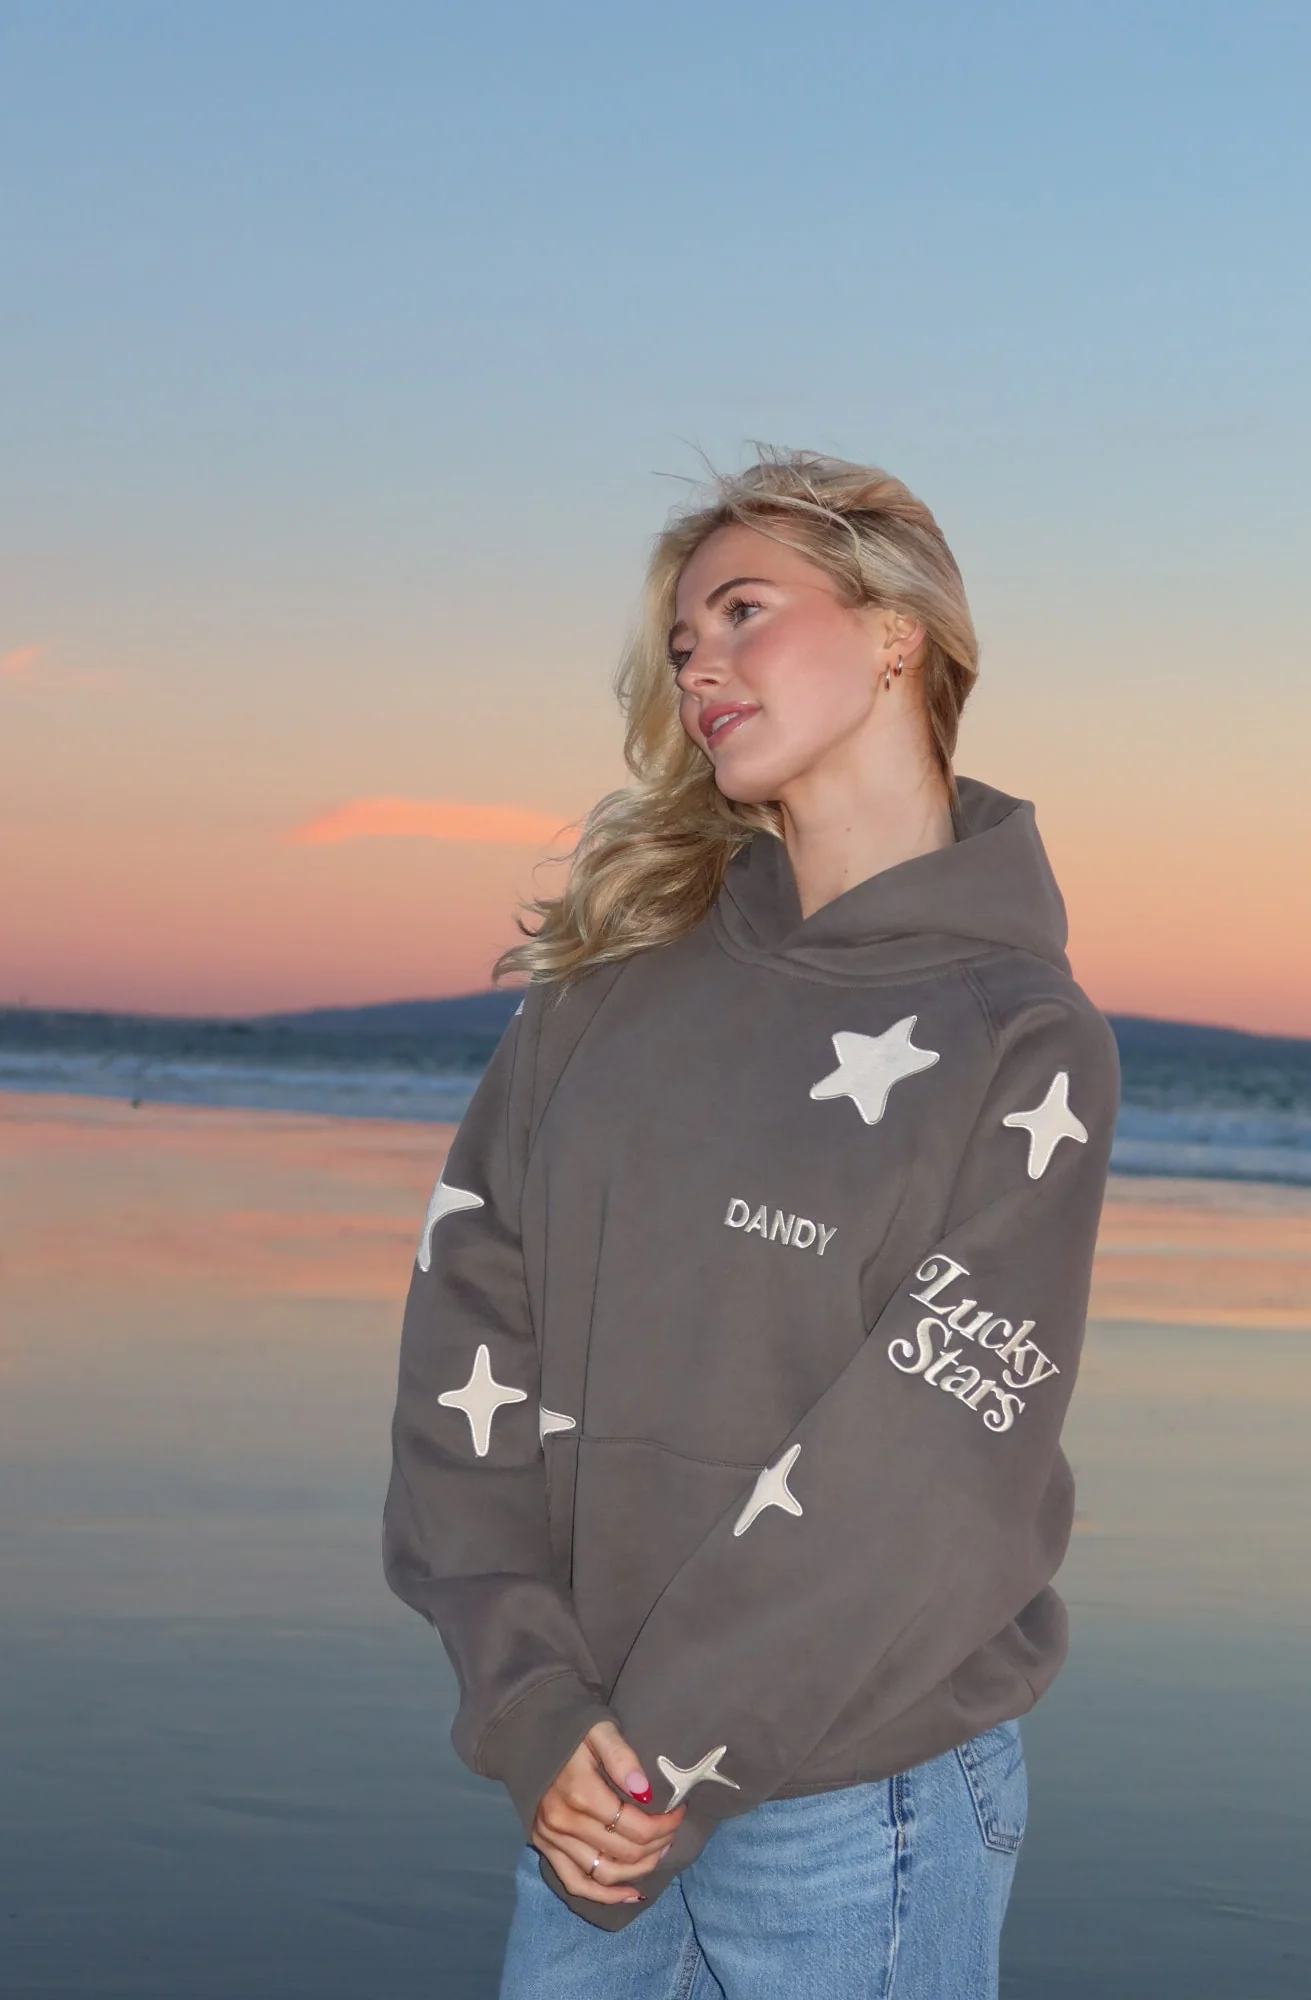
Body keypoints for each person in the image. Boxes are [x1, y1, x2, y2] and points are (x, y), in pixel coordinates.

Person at [383, 449, 1119, 1998]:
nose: (700, 666)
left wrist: (670, 1752)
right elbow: (468, 1338)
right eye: (680, 645)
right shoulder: (612, 981)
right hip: (585, 1785)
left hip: (858, 1795)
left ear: (897, 630)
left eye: (742, 612)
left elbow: (934, 1456)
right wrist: (535, 1709)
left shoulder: (1019, 1033)